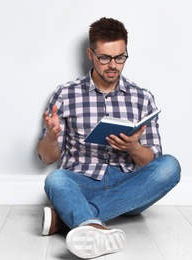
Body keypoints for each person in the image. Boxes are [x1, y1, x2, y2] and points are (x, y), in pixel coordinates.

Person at [37, 17, 181, 259]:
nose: (113, 65)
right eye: (105, 57)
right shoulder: (65, 94)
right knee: (56, 179)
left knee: (170, 166)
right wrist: (52, 136)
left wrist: (134, 148)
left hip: (130, 185)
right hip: (82, 182)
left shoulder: (142, 98)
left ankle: (75, 219)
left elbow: (150, 164)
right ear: (91, 54)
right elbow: (45, 158)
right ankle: (92, 223)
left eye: (120, 57)